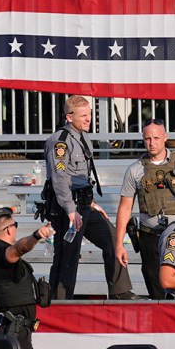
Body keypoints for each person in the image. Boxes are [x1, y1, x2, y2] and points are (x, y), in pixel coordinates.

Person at [44, 95, 136, 300]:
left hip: (84, 204)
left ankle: (120, 291)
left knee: (113, 239)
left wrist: (91, 203)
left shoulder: (83, 136)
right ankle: (59, 302)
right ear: (69, 117)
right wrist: (70, 210)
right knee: (68, 255)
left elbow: (82, 178)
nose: (88, 120)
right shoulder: (60, 142)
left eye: (89, 115)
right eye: (83, 115)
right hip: (66, 208)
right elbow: (60, 180)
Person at [114, 119, 175, 299]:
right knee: (156, 290)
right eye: (148, 138)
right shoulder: (135, 170)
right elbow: (125, 208)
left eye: (156, 138)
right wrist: (119, 244)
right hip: (150, 236)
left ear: (165, 137)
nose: (152, 143)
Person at [0, 207, 55, 349]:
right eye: (15, 225)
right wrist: (36, 236)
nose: (16, 229)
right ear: (8, 230)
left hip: (12, 333)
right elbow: (19, 249)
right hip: (13, 335)